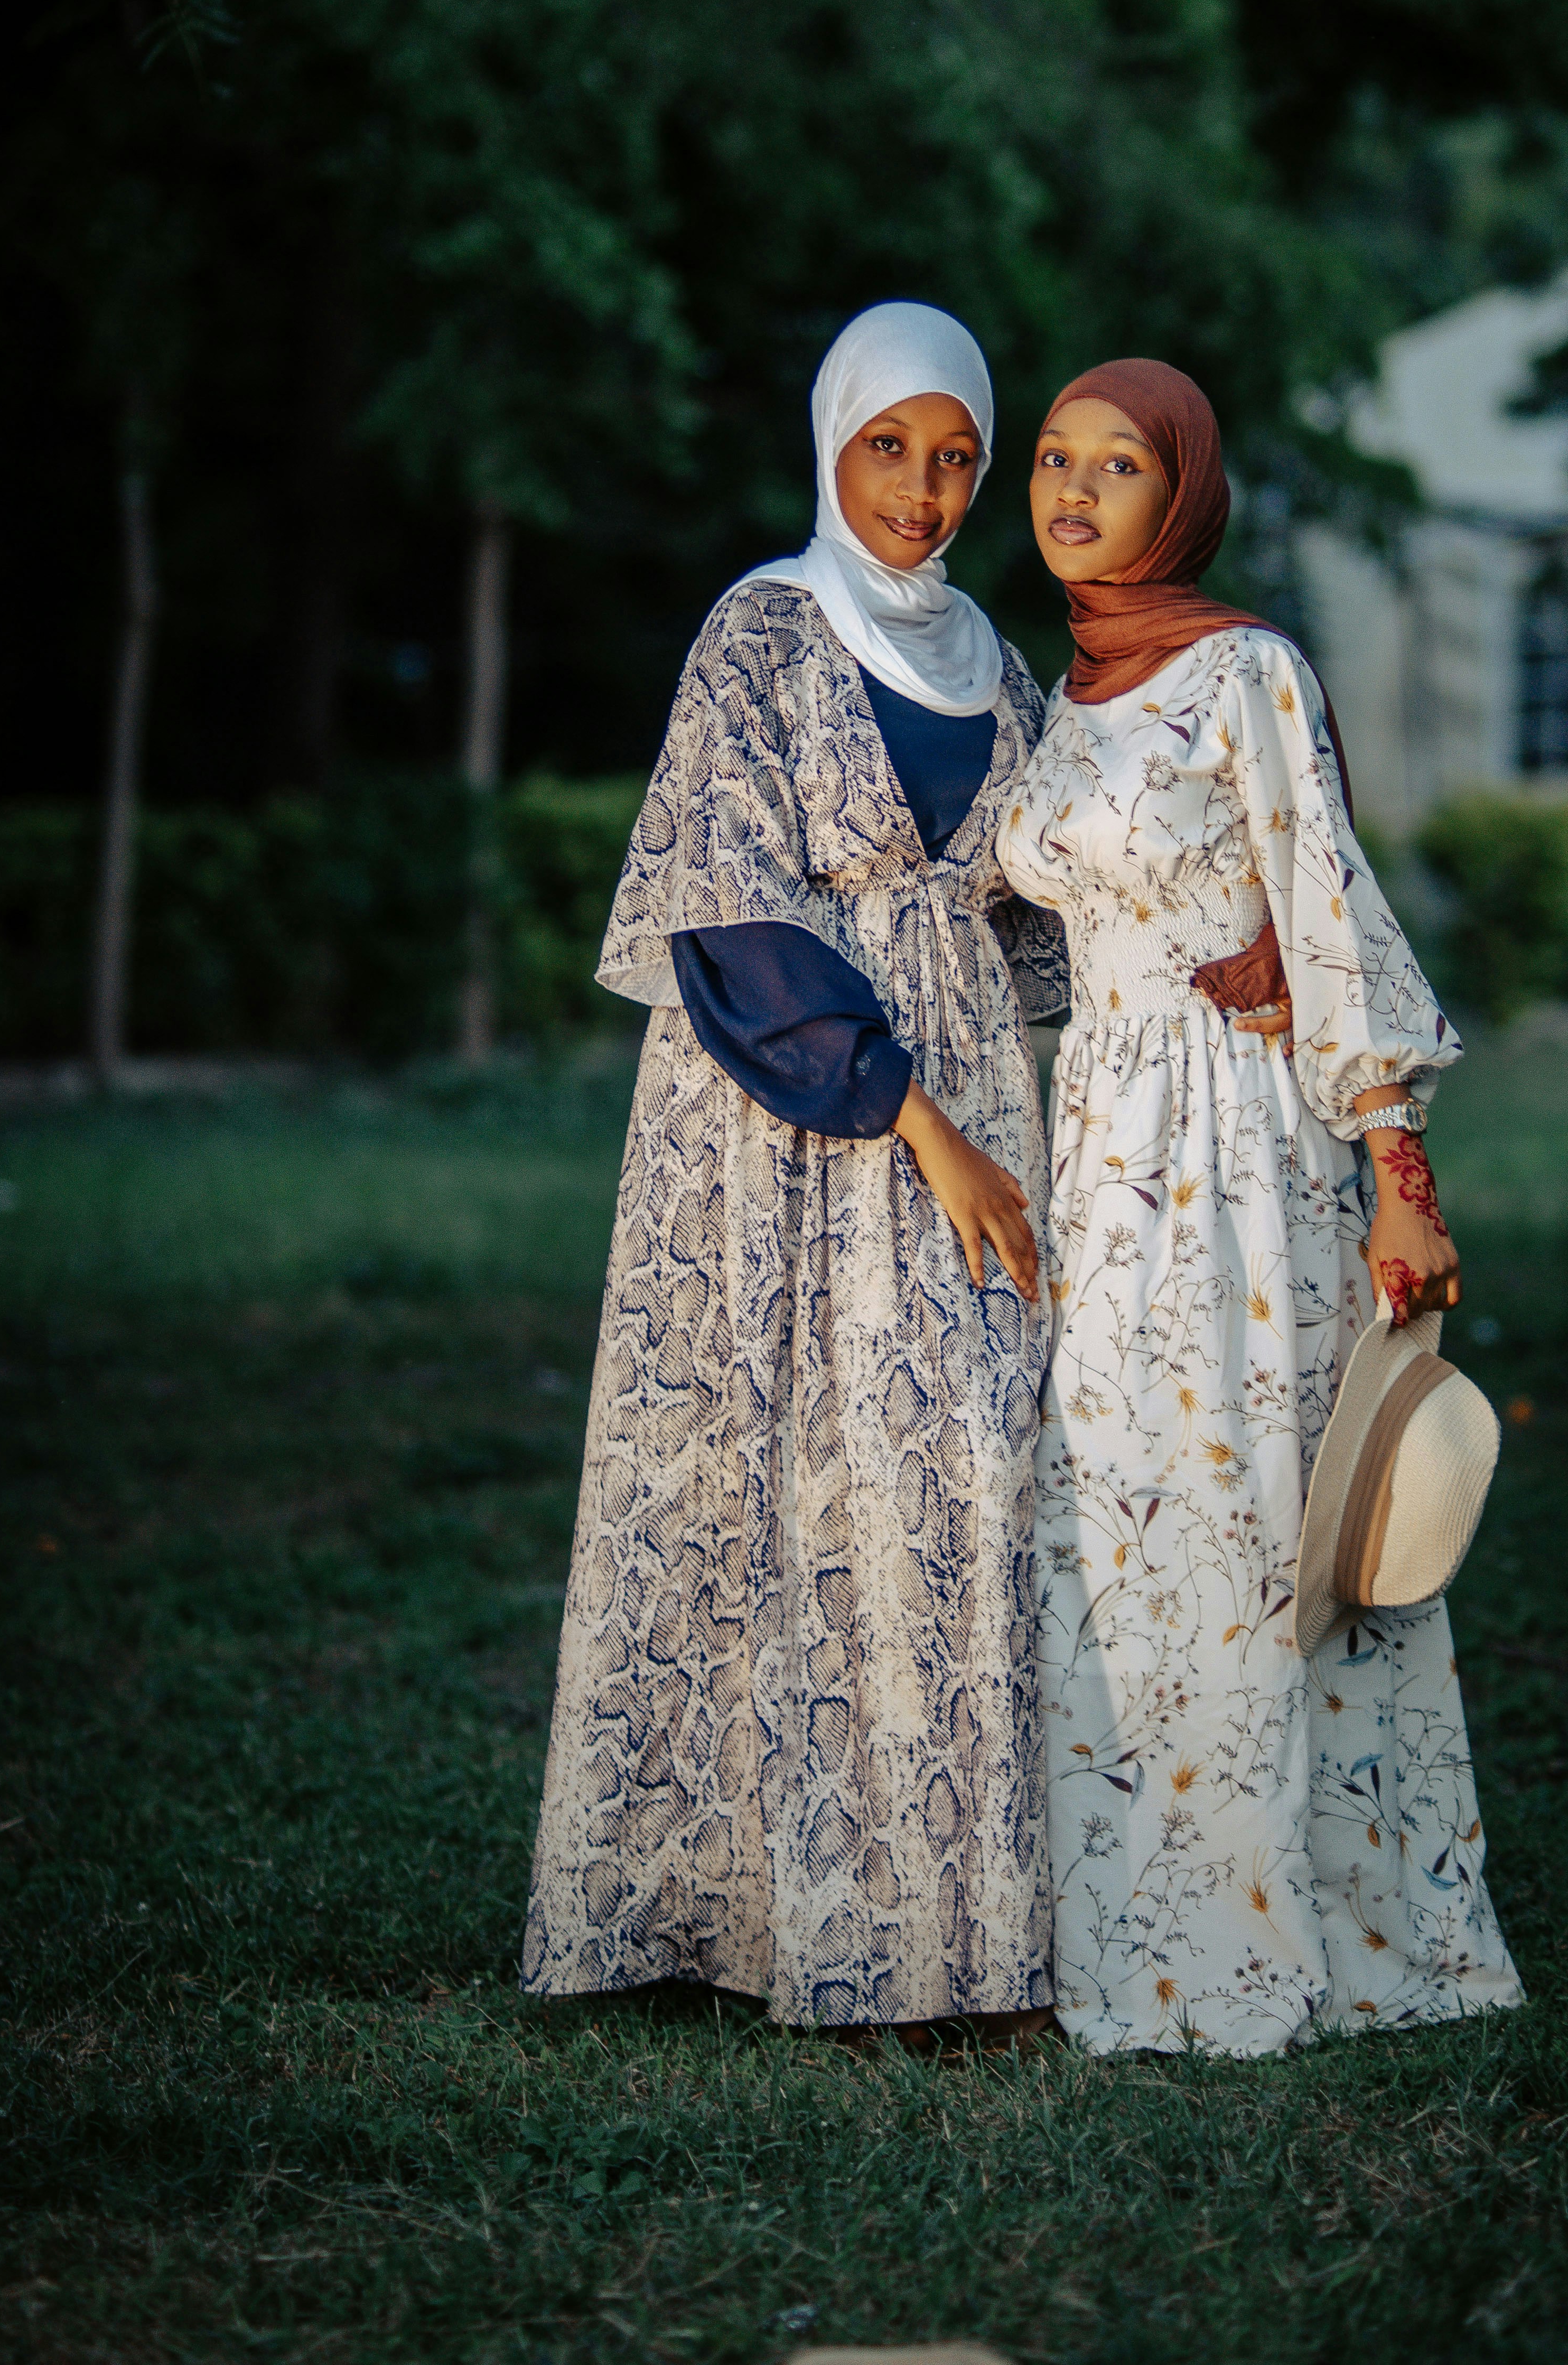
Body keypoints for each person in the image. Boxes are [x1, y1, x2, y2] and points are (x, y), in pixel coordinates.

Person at [522, 302, 1067, 2044]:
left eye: (957, 455)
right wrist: (925, 1125)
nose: (922, 488)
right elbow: (734, 918)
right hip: (787, 1126)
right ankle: (721, 1917)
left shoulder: (997, 663)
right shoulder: (763, 629)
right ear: (831, 442)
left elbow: (1065, 905)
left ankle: (957, 1939)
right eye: (887, 446)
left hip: (976, 1101)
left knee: (969, 1479)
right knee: (774, 1488)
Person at [996, 358, 1521, 2056]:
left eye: (1120, 466)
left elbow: (1331, 908)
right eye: (1055, 459)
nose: (1075, 492)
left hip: (1233, 1149)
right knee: (1113, 1515)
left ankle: (1298, 1946)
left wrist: (1400, 1176)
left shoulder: (1246, 671)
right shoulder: (1061, 696)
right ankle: (1134, 1929)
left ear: (1186, 494)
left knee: (1256, 1516)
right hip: (1096, 1142)